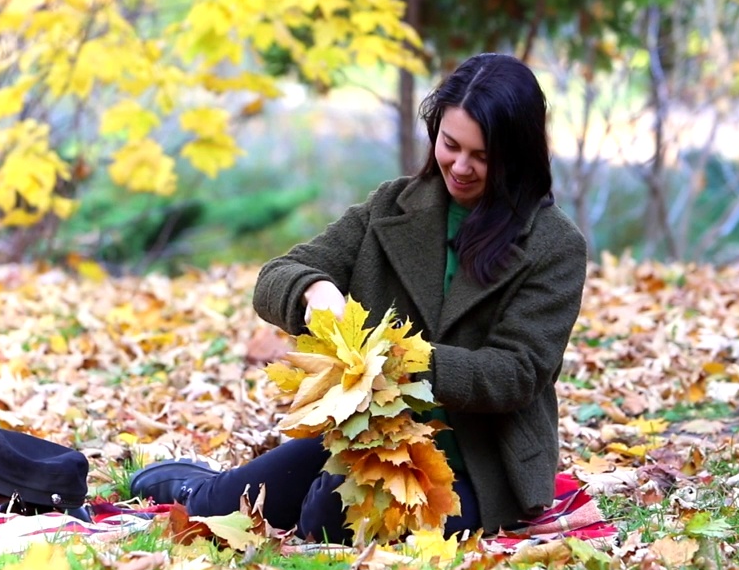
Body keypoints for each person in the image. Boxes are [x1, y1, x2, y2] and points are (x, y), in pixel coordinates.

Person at [130, 53, 587, 542]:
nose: (460, 166)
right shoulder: (392, 205)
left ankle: (308, 491)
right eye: (450, 145)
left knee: (329, 518)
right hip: (368, 430)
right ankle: (201, 486)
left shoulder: (554, 246)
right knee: (223, 508)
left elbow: (517, 373)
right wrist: (314, 290)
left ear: (517, 155)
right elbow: (276, 275)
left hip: (477, 459)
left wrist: (398, 358)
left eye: (482, 156)